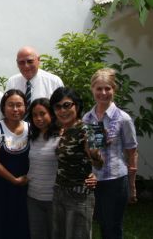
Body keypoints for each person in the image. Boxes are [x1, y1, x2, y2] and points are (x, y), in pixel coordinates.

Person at [83, 68, 138, 239]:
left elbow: (131, 151)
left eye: (108, 88)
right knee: (95, 225)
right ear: (92, 89)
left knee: (112, 228)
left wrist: (132, 185)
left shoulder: (123, 118)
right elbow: (90, 150)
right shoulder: (87, 119)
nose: (103, 93)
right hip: (93, 181)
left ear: (114, 89)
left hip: (115, 180)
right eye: (99, 88)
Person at [50, 87, 103, 239]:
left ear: (77, 106)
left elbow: (100, 162)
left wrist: (95, 156)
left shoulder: (91, 129)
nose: (62, 111)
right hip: (59, 190)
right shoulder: (61, 130)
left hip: (79, 194)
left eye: (67, 105)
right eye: (57, 107)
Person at [0, 89, 30, 239]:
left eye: (19, 105)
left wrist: (23, 180)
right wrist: (14, 180)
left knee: (22, 227)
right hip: (1, 188)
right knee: (1, 227)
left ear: (25, 107)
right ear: (3, 107)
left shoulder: (30, 129)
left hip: (25, 189)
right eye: (10, 105)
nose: (15, 109)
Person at [26, 98, 58, 239]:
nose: (38, 118)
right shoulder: (31, 137)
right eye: (34, 115)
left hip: (54, 199)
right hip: (33, 197)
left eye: (42, 113)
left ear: (51, 114)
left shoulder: (61, 137)